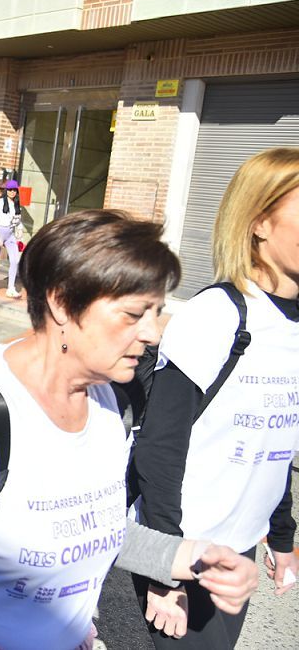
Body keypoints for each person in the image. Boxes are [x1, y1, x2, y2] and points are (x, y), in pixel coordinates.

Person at [0, 210, 260, 650]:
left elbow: (92, 528)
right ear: (63, 303)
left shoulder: (109, 400)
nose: (154, 334)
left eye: (157, 312)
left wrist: (193, 559)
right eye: (134, 314)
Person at [130, 147, 299, 648]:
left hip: (240, 542)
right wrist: (165, 570)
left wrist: (283, 538)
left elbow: (279, 439)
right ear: (260, 223)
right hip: (185, 540)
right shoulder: (220, 315)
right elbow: (158, 447)